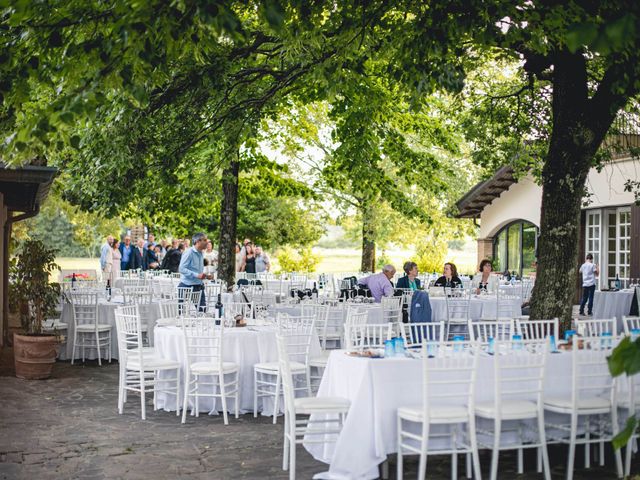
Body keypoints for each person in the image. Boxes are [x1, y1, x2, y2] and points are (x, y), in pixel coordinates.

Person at [178, 233, 209, 311]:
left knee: (202, 312)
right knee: (182, 313)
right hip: (186, 285)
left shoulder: (201, 253)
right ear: (198, 241)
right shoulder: (189, 252)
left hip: (198, 285)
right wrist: (197, 275)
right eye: (205, 240)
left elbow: (197, 270)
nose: (207, 242)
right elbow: (181, 268)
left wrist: (206, 276)